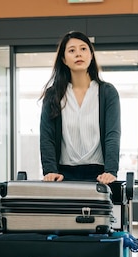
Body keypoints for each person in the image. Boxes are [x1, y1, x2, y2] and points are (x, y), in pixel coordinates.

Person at [39, 31, 121, 184]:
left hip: (100, 176)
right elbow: (47, 137)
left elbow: (112, 134)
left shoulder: (108, 93)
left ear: (91, 55)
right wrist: (50, 170)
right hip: (63, 176)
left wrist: (111, 171)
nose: (78, 54)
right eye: (72, 50)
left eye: (83, 49)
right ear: (64, 59)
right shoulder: (53, 95)